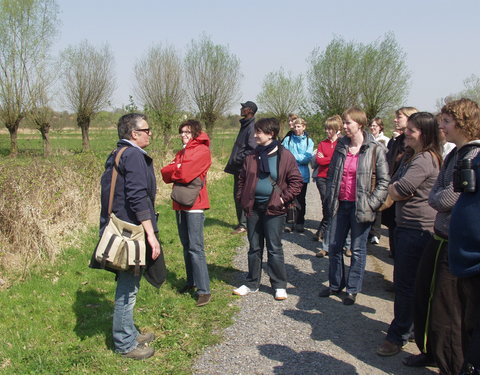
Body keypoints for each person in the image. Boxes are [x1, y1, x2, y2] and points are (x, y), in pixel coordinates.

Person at [403, 99, 480, 373]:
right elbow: (439, 192)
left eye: (447, 121)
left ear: (462, 123)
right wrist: (438, 197)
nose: (442, 126)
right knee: (429, 299)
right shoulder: (454, 155)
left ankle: (451, 365)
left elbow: (447, 197)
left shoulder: (473, 156)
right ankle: (433, 352)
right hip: (440, 236)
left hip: (456, 243)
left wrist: (437, 197)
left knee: (449, 312)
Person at [90, 113, 162, 360]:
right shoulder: (132, 156)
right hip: (130, 233)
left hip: (122, 228)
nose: (149, 133)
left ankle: (129, 330)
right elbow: (137, 197)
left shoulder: (119, 153)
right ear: (134, 133)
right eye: (147, 129)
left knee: (129, 283)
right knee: (127, 288)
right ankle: (124, 343)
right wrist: (151, 235)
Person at [377, 112, 442, 357]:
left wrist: (389, 193)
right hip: (407, 227)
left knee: (405, 285)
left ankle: (397, 335)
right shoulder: (413, 156)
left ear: (423, 134)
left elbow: (402, 188)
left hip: (417, 229)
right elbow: (397, 181)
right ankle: (411, 327)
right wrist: (393, 189)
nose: (406, 132)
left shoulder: (425, 159)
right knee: (411, 284)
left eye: (411, 130)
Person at [319, 107, 389, 306]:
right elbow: (332, 175)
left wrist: (371, 204)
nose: (345, 126)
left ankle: (352, 289)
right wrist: (330, 199)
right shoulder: (341, 146)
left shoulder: (375, 149)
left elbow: (384, 182)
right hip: (341, 206)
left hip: (361, 207)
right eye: (345, 122)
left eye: (349, 122)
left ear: (360, 124)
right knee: (334, 246)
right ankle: (335, 285)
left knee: (357, 250)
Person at [232, 118, 303, 300]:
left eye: (259, 132)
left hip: (274, 210)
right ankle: (252, 283)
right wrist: (242, 197)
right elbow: (241, 179)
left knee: (274, 248)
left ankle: (279, 285)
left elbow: (296, 182)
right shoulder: (251, 156)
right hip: (253, 209)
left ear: (270, 134)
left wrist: (282, 198)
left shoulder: (284, 156)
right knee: (254, 247)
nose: (255, 135)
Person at [161, 120, 212, 307]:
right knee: (185, 244)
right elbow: (165, 173)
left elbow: (185, 174)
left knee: (196, 247)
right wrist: (178, 168)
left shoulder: (202, 151)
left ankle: (204, 290)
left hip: (195, 203)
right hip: (179, 202)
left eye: (188, 132)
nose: (183, 135)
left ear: (196, 133)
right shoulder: (182, 151)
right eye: (182, 131)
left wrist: (178, 168)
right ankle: (191, 281)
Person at [383, 107, 419, 259]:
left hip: (404, 196)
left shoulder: (414, 144)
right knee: (393, 229)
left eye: (399, 117)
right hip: (392, 190)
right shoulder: (396, 141)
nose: (395, 120)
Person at [224, 101, 258, 235]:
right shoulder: (245, 124)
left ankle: (244, 224)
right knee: (239, 195)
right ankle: (244, 223)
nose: (241, 109)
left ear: (249, 110)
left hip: (242, 168)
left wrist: (238, 158)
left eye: (243, 107)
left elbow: (252, 148)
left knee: (241, 196)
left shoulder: (251, 127)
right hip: (238, 167)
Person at [311, 115, 342, 257]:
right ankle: (324, 234)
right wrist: (333, 158)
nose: (328, 131)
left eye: (330, 129)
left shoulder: (341, 143)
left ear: (337, 129)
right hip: (322, 178)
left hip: (336, 178)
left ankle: (322, 232)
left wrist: (328, 159)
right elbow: (319, 160)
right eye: (327, 129)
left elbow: (342, 159)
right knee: (327, 205)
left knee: (332, 207)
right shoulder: (322, 144)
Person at [281, 117, 314, 232]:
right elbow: (283, 155)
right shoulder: (287, 140)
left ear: (304, 127)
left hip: (302, 175)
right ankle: (289, 222)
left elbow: (307, 158)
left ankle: (300, 221)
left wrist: (292, 157)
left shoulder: (309, 141)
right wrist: (294, 158)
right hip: (288, 174)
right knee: (289, 199)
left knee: (301, 200)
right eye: (295, 126)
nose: (296, 129)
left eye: (299, 126)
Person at [368, 117, 389, 245]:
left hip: (379, 174)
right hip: (368, 174)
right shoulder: (367, 139)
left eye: (375, 126)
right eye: (371, 125)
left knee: (378, 203)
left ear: (380, 127)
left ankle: (375, 233)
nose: (373, 128)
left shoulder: (386, 140)